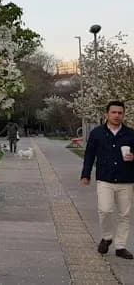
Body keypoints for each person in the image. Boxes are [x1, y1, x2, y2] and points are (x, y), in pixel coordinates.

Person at [81, 101, 134, 259]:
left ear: (123, 115)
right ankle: (107, 237)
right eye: (114, 112)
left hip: (126, 179)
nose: (117, 115)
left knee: (124, 214)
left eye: (120, 113)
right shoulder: (97, 133)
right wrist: (86, 174)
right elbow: (89, 154)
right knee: (105, 210)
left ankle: (120, 246)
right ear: (107, 114)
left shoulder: (131, 134)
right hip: (105, 179)